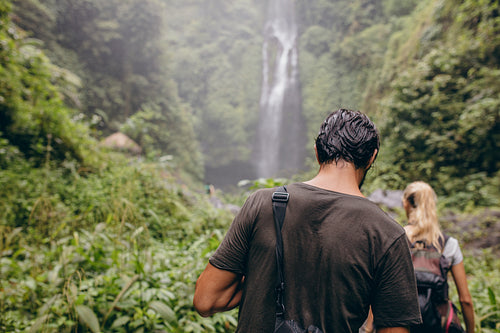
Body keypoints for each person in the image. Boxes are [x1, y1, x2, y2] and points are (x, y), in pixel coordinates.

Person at [193, 109, 422, 332]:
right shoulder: (387, 233)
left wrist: (261, 275)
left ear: (317, 152)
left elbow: (206, 300)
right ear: (372, 158)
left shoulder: (261, 203)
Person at [402, 181, 475, 333]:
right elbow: (465, 300)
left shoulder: (395, 239)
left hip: (401, 323)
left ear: (405, 203)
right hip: (437, 323)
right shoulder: (447, 244)